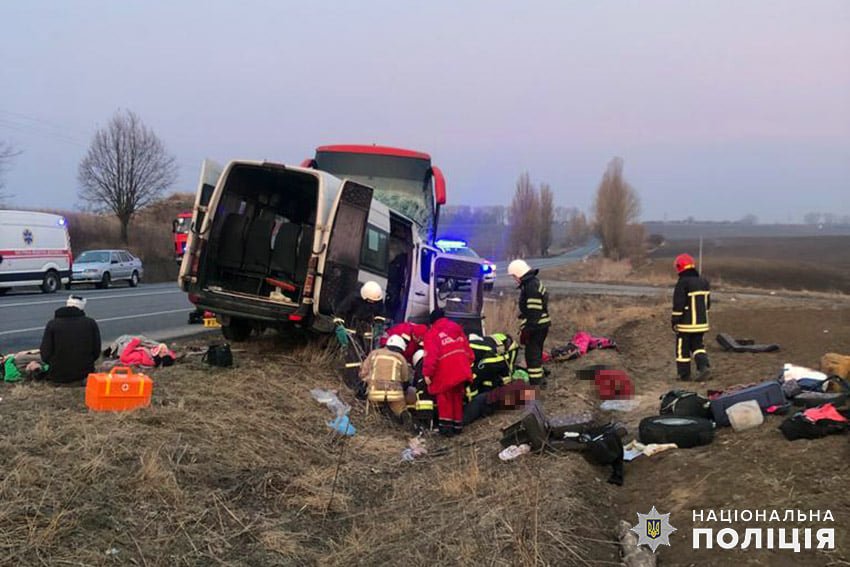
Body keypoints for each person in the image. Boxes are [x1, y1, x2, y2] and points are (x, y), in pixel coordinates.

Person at [422, 308, 474, 436]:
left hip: (446, 371)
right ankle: (457, 427)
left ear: (432, 322)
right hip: (462, 369)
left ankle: (446, 429)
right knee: (457, 398)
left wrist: (427, 374)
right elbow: (469, 353)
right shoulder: (456, 328)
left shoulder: (432, 333)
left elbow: (431, 357)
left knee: (444, 399)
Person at [39, 295, 101, 385]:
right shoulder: (90, 323)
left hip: (58, 375)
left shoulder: (52, 324)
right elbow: (96, 351)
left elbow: (45, 354)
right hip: (84, 374)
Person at [507, 259, 551, 386]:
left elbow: (534, 310)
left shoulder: (530, 286)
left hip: (536, 326)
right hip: (541, 324)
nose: (514, 279)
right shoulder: (532, 283)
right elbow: (535, 307)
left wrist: (527, 329)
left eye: (514, 276)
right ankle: (540, 378)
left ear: (518, 273)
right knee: (536, 353)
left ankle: (536, 382)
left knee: (531, 356)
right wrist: (524, 314)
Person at [671, 253, 711, 381]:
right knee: (697, 345)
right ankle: (703, 366)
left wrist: (675, 320)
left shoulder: (683, 283)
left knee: (682, 348)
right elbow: (708, 304)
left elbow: (679, 303)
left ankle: (684, 374)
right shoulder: (704, 281)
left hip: (686, 324)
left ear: (679, 267)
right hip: (702, 323)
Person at [359, 334, 410, 421]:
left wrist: (367, 381)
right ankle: (402, 416)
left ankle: (378, 415)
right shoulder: (401, 358)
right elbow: (405, 378)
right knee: (399, 406)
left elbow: (363, 373)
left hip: (375, 390)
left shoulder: (374, 353)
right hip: (394, 393)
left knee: (375, 404)